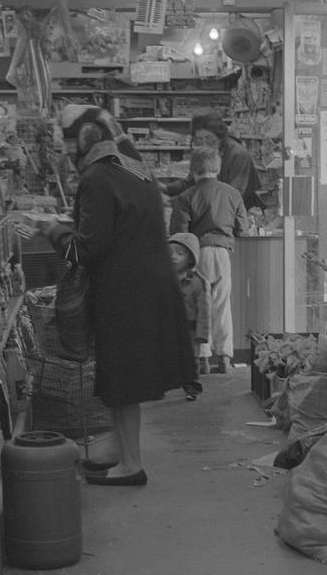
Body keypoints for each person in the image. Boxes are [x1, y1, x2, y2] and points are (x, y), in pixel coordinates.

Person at [18, 104, 199, 486]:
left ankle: (130, 463)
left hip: (124, 290)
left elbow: (86, 250)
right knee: (120, 375)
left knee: (122, 379)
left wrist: (52, 230)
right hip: (147, 284)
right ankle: (118, 448)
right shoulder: (132, 168)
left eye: (70, 149)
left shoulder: (97, 178)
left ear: (85, 142)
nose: (69, 158)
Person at [169, 146, 249, 374]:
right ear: (218, 168)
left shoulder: (185, 197)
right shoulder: (232, 194)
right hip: (222, 253)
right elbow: (243, 228)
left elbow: (178, 234)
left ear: (193, 170)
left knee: (198, 307)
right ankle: (224, 357)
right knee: (222, 305)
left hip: (196, 254)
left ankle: (201, 359)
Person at [161, 115, 262, 211]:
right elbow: (191, 181)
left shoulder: (238, 154)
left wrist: (177, 202)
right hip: (217, 211)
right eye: (199, 139)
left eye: (208, 137)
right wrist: (166, 188)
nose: (204, 143)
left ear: (219, 136)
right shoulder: (207, 153)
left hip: (242, 213)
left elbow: (234, 193)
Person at [166, 231, 210, 390]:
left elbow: (203, 311)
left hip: (191, 328)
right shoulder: (165, 280)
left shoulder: (197, 283)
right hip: (170, 326)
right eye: (170, 252)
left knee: (191, 359)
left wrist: (202, 333)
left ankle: (191, 385)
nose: (174, 257)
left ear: (191, 258)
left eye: (180, 253)